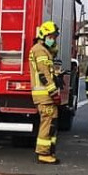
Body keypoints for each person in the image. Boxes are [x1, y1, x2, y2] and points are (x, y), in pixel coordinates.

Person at [28, 21, 62, 164]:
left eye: (54, 37)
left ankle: (49, 149)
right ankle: (43, 153)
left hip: (46, 94)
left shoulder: (44, 50)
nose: (53, 39)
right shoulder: (39, 50)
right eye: (51, 37)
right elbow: (44, 74)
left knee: (51, 122)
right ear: (43, 35)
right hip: (44, 95)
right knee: (47, 123)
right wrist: (54, 91)